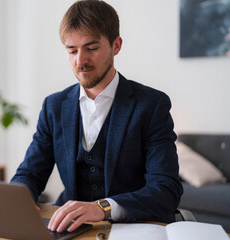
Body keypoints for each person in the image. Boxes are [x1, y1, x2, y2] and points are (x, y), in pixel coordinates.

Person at [11, 0, 183, 233]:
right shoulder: (54, 106)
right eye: (71, 50)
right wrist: (20, 203)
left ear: (116, 45)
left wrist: (103, 208)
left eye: (91, 48)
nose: (80, 61)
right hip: (69, 229)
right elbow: (29, 173)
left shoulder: (152, 105)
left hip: (133, 228)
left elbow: (166, 189)